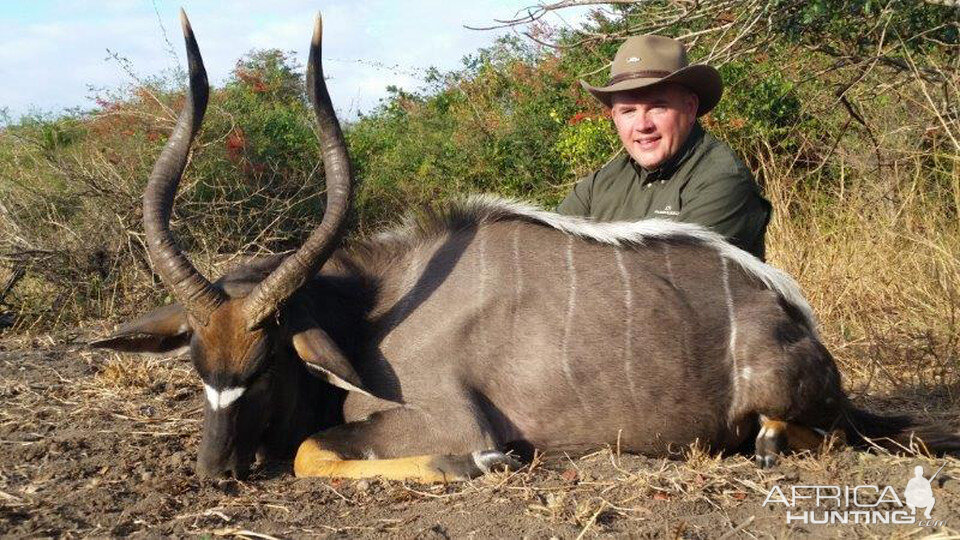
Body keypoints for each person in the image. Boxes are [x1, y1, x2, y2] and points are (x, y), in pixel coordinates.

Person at [557, 34, 771, 260]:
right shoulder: (599, 185)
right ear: (614, 118)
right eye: (628, 111)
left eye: (658, 107)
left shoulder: (723, 181)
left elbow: (668, 278)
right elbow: (552, 252)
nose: (642, 125)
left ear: (689, 109)